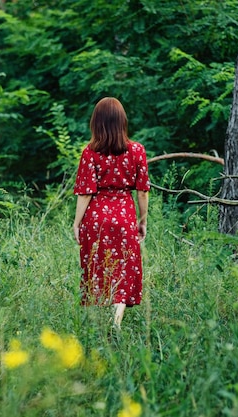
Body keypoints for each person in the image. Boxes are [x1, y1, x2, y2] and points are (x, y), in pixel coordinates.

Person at [72, 97, 150, 329]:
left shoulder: (90, 152)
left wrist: (77, 223)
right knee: (124, 269)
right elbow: (143, 191)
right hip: (125, 216)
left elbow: (85, 193)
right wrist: (142, 221)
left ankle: (96, 325)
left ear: (97, 123)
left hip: (96, 219)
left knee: (97, 268)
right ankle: (115, 322)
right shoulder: (137, 150)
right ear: (122, 122)